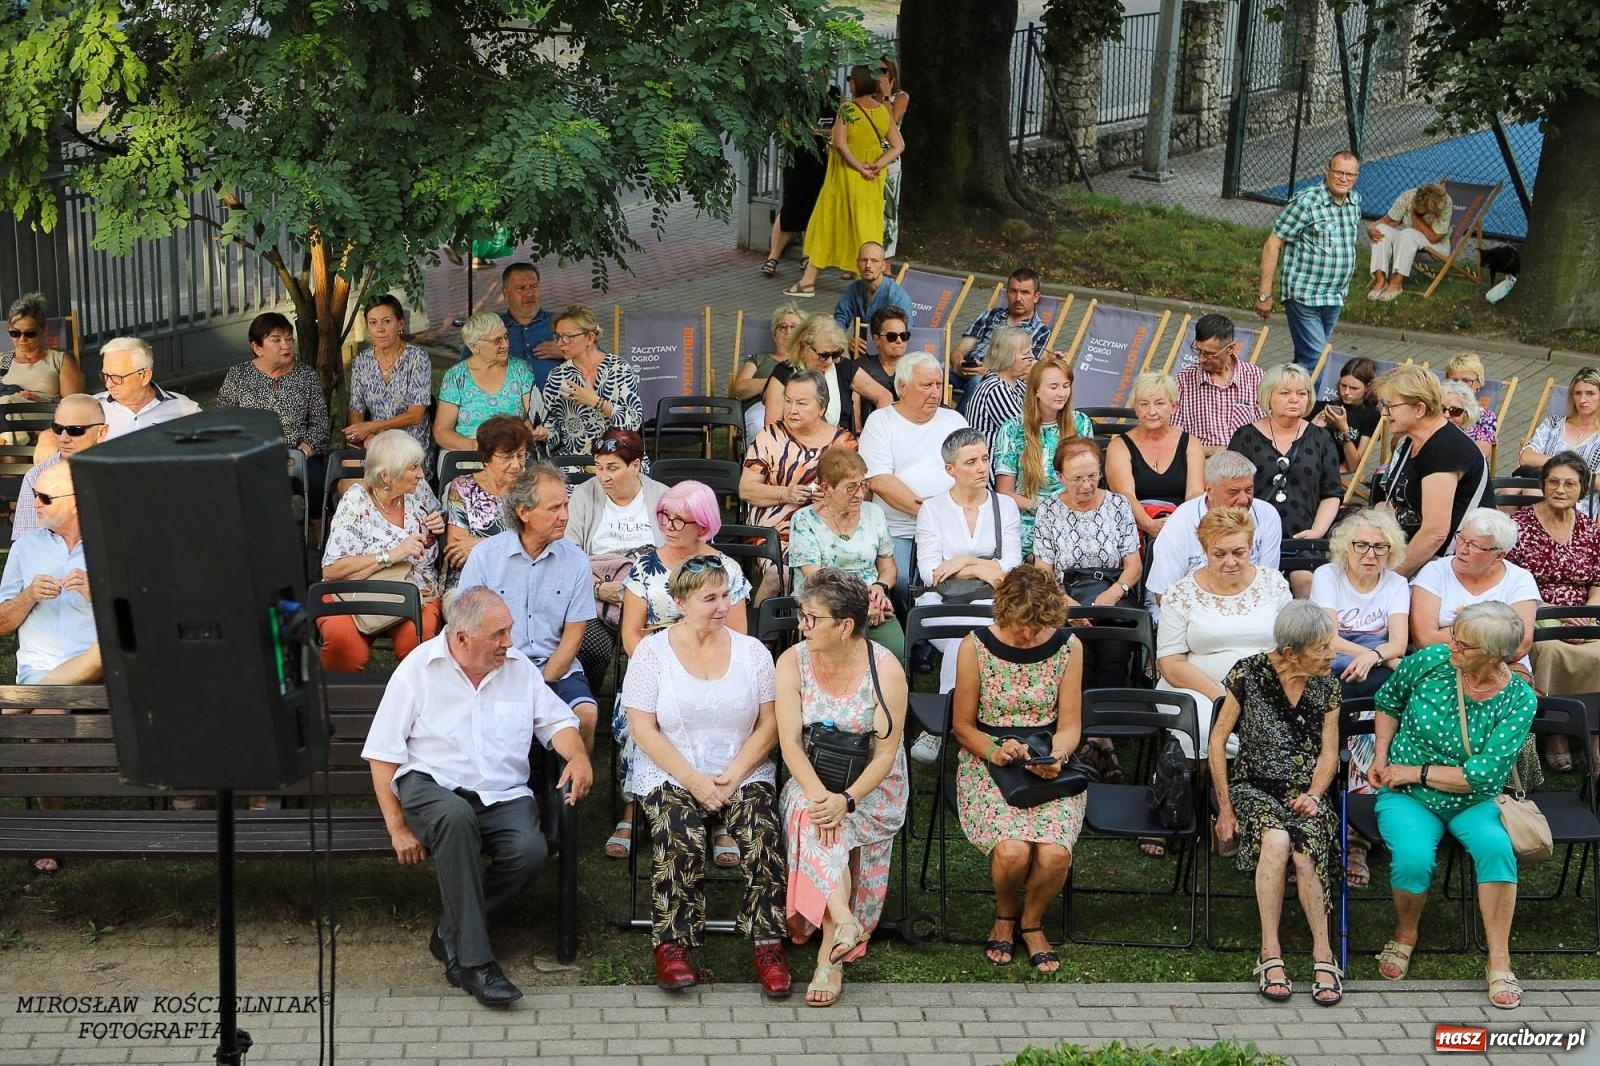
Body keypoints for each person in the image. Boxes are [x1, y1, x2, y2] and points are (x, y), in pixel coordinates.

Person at [361, 586, 593, 1007]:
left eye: (509, 631)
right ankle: (475, 964)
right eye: (499, 634)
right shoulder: (418, 670)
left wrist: (577, 756)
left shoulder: (518, 668)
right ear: (462, 637)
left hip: (502, 794)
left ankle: (450, 933)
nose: (510, 642)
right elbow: (382, 754)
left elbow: (558, 722)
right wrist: (397, 828)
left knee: (530, 850)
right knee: (454, 818)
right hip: (432, 787)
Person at [621, 559, 791, 997]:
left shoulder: (752, 652)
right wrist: (694, 780)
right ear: (680, 603)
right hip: (671, 770)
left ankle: (767, 942)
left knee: (764, 833)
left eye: (727, 596)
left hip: (741, 767)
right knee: (681, 835)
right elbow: (643, 730)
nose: (723, 606)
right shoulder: (651, 653)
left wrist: (732, 776)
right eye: (710, 598)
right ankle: (673, 944)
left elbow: (770, 725)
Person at [1369, 602, 1536, 1010]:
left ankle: (1499, 958)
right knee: (1411, 858)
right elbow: (1389, 700)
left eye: (1465, 644)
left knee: (1497, 849)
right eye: (1455, 636)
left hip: (1471, 798)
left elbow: (1481, 775)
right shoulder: (1430, 661)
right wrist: (1381, 755)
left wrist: (1415, 771)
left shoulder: (1518, 700)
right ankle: (1406, 932)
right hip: (1409, 797)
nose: (1453, 646)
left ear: (1497, 655)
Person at [775, 568, 909, 1007]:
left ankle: (832, 948)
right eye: (802, 615)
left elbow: (887, 754)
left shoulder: (884, 669)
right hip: (812, 777)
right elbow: (790, 743)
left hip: (871, 787)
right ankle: (838, 940)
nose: (802, 625)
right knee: (817, 820)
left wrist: (847, 800)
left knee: (828, 823)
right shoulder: (792, 661)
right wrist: (823, 799)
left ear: (846, 625)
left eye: (812, 618)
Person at [950, 567, 1085, 974]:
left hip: (1047, 755)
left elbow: (1070, 724)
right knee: (1012, 850)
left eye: (1037, 627)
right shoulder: (974, 647)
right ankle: (1005, 916)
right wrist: (996, 751)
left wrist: (1057, 756)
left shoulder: (1069, 647)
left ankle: (1033, 922)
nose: (1028, 636)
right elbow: (963, 726)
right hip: (989, 757)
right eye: (1020, 627)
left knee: (1055, 854)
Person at [1209, 602, 1343, 1006]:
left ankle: (1323, 951)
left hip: (1306, 791)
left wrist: (1315, 794)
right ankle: (1270, 950)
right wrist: (1226, 807)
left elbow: (1329, 754)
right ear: (1289, 651)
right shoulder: (1248, 672)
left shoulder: (1327, 684)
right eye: (1321, 649)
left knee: (1305, 851)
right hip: (1253, 787)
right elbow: (1217, 742)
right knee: (1277, 839)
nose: (1331, 655)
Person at [617, 482, 753, 862]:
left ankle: (721, 815)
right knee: (638, 720)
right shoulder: (645, 566)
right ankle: (634, 808)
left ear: (704, 524)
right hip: (656, 674)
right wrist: (659, 675)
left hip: (715, 672)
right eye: (664, 516)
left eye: (680, 518)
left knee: (728, 714)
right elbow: (631, 632)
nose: (669, 525)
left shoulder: (727, 570)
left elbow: (739, 636)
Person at [0, 461, 101, 874]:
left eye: (44, 498)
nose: (33, 504)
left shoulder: (112, 543)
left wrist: (99, 594)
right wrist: (27, 598)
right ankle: (50, 828)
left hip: (102, 671)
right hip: (41, 672)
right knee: (46, 717)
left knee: (105, 651)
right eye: (34, 495)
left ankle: (12, 707)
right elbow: (3, 623)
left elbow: (143, 618)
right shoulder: (26, 547)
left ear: (75, 503)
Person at [456, 462, 601, 751]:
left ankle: (570, 792)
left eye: (565, 505)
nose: (564, 516)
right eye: (554, 508)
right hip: (497, 667)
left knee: (586, 715)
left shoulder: (576, 561)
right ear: (524, 512)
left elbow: (574, 636)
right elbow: (467, 627)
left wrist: (543, 683)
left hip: (556, 668)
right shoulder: (486, 557)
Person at [1156, 506, 1293, 762]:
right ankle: (1211, 793)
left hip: (1267, 684)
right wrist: (1224, 696)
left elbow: (1291, 646)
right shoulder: (1181, 593)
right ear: (1204, 550)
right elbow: (1170, 662)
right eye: (1219, 554)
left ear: (1251, 547)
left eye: (1238, 552)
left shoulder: (1273, 583)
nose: (1230, 562)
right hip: (1197, 689)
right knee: (1216, 731)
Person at [318, 429, 445, 671]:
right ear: (386, 476)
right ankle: (344, 702)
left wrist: (435, 527)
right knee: (344, 647)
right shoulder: (356, 500)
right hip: (354, 590)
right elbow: (333, 569)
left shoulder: (419, 490)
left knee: (417, 643)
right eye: (413, 468)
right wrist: (392, 555)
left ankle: (410, 703)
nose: (421, 474)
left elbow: (433, 525)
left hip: (413, 587)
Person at [1507, 452, 1600, 771]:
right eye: (1554, 482)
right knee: (1547, 649)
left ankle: (1595, 731)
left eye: (1569, 483)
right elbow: (1509, 582)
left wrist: (1588, 615)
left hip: (1584, 614)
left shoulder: (1589, 528)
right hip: (1535, 608)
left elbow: (1598, 580)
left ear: (1582, 489)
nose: (1561, 489)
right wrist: (1558, 614)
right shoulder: (1519, 526)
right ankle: (1555, 731)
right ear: (1543, 485)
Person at [915, 427, 1024, 693]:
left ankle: (943, 719)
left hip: (992, 599)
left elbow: (1013, 564)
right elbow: (931, 573)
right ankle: (978, 713)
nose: (982, 468)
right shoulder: (932, 509)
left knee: (963, 642)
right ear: (950, 469)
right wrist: (987, 569)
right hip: (941, 601)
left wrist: (963, 561)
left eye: (985, 459)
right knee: (968, 640)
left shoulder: (1005, 506)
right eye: (971, 462)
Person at [783, 63, 905, 300]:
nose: (848, 82)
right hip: (871, 182)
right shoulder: (881, 111)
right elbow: (898, 145)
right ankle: (869, 284)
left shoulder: (847, 109)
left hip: (842, 179)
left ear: (855, 83)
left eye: (851, 78)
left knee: (826, 225)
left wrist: (858, 166)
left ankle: (807, 282)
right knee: (866, 229)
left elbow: (840, 143)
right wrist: (877, 164)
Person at [1031, 438, 1142, 689]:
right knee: (1078, 658)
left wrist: (1112, 595)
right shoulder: (1048, 510)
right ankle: (1078, 723)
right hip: (1065, 597)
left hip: (1113, 594)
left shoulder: (1118, 504)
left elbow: (1134, 564)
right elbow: (1043, 572)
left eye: (1093, 476)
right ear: (1060, 477)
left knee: (1113, 656)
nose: (1087, 485)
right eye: (1077, 479)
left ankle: (1104, 722)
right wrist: (1067, 604)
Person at [860, 352, 970, 603]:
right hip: (899, 529)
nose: (935, 393)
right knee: (899, 584)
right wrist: (933, 513)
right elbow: (879, 481)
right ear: (902, 387)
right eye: (926, 385)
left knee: (957, 582)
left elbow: (973, 471)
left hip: (951, 527)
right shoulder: (881, 422)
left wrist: (945, 516)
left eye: (938, 384)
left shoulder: (954, 420)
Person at [567, 428, 667, 692]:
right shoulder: (583, 495)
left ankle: (647, 714)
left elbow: (677, 554)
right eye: (598, 467)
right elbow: (569, 555)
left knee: (661, 649)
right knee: (589, 645)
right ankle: (586, 710)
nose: (603, 476)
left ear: (635, 466)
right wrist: (598, 589)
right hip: (598, 595)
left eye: (612, 468)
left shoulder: (662, 497)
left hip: (653, 602)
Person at [1373, 365, 1489, 577]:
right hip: (1415, 553)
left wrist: (1389, 579)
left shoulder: (1445, 449)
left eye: (1390, 406)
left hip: (1451, 564)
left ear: (1419, 409)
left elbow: (1435, 533)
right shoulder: (1409, 440)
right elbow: (1394, 504)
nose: (1384, 413)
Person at [787, 446, 903, 657]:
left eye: (862, 485)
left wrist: (879, 587)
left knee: (895, 652)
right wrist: (860, 604)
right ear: (826, 488)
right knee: (839, 655)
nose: (860, 494)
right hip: (824, 607)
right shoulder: (804, 521)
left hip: (872, 605)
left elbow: (888, 567)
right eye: (851, 487)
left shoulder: (874, 514)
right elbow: (816, 578)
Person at [1256, 150, 1363, 370]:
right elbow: (1273, 243)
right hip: (1304, 294)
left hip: (1334, 296)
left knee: (1308, 360)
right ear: (1327, 171)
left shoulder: (1355, 202)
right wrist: (1264, 293)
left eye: (1350, 175)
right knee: (1319, 359)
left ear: (1357, 176)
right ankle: (1307, 403)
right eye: (1339, 172)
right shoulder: (1307, 202)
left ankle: (1290, 399)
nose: (1344, 179)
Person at [218, 312, 331, 514]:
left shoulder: (306, 375)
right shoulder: (238, 376)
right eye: (276, 340)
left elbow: (320, 423)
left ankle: (323, 540)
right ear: (257, 348)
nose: (286, 345)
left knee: (318, 483)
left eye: (289, 339)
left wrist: (301, 453)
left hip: (299, 456)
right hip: (254, 457)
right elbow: (224, 422)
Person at [1145, 450, 1284, 613]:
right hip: (1187, 609)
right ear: (1210, 490)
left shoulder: (1267, 515)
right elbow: (1164, 595)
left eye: (1249, 490)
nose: (1244, 499)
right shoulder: (1181, 520)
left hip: (1249, 608)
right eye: (1233, 492)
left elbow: (1266, 584)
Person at [1410, 509, 1538, 679]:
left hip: (1503, 670)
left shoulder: (1520, 579)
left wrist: (1453, 630)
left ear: (1499, 555)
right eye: (1461, 539)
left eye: (1475, 546)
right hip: (1441, 665)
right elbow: (1424, 638)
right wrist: (1492, 636)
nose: (1462, 549)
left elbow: (1520, 645)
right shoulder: (1435, 572)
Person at [741, 369, 858, 548]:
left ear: (822, 408)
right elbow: (747, 489)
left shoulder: (843, 443)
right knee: (782, 571)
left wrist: (829, 496)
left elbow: (857, 494)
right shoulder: (770, 436)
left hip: (829, 528)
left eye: (801, 403)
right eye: (788, 401)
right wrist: (785, 494)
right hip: (776, 530)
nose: (792, 410)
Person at [1226, 363, 1342, 540]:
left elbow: (1331, 493)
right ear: (1268, 396)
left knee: (1303, 570)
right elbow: (1229, 488)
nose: (1295, 399)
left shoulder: (1321, 438)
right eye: (1285, 393)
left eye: (1302, 393)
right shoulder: (1245, 436)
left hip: (1303, 539)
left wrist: (1317, 532)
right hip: (1251, 538)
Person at [993, 355, 1095, 556]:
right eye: (1054, 386)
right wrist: (1044, 509)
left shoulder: (1081, 423)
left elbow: (1090, 481)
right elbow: (1004, 492)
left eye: (1066, 386)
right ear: (1036, 390)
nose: (1062, 393)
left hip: (1075, 512)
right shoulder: (1012, 429)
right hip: (1029, 518)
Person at [1310, 509, 1411, 701]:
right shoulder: (1327, 575)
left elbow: (1399, 643)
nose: (1371, 555)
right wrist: (1382, 659)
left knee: (1397, 685)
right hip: (1333, 658)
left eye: (1380, 546)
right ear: (1346, 547)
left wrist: (1373, 658)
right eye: (1361, 545)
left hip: (1376, 664)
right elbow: (1330, 639)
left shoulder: (1397, 583)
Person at [1105, 372, 1206, 541]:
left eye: (1160, 404)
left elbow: (1194, 493)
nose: (1151, 411)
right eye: (1144, 404)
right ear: (1135, 407)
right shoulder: (1119, 446)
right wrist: (1148, 524)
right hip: (1134, 525)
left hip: (1180, 523)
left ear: (1174, 406)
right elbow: (1124, 495)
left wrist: (1179, 524)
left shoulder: (1191, 444)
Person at [441, 416, 534, 590]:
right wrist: (513, 544)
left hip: (521, 578)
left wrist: (479, 543)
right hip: (471, 578)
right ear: (486, 457)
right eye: (506, 457)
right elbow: (458, 550)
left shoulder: (531, 488)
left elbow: (536, 543)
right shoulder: (462, 487)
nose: (516, 465)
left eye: (521, 455)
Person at [763, 314, 892, 437]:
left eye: (835, 354)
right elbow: (772, 430)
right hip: (796, 448)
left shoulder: (843, 366)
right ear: (803, 348)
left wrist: (872, 435)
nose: (830, 361)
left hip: (841, 448)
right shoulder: (783, 373)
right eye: (823, 355)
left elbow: (884, 397)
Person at [434, 311, 544, 455]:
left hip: (514, 449)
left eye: (506, 337)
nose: (505, 344)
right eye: (497, 341)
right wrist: (477, 447)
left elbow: (533, 416)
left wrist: (509, 446)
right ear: (474, 346)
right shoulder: (456, 376)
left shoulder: (520, 370)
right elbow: (442, 430)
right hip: (469, 451)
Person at [541, 304, 643, 457]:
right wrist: (543, 434)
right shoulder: (557, 376)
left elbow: (633, 422)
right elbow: (551, 426)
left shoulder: (618, 368)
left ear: (590, 337)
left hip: (619, 457)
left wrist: (596, 402)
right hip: (575, 461)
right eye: (558, 336)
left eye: (568, 336)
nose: (560, 343)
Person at [761, 87, 841, 280]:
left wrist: (814, 131)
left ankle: (807, 255)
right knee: (790, 206)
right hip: (796, 158)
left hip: (821, 161)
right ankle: (773, 256)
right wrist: (813, 131)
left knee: (814, 207)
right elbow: (785, 125)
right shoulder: (797, 94)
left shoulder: (834, 95)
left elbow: (838, 130)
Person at [345, 294, 433, 453]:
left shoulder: (417, 359)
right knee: (346, 474)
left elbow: (415, 415)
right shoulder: (361, 361)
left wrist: (371, 427)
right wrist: (367, 437)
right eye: (373, 323)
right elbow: (355, 410)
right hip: (372, 442)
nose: (380, 329)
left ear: (400, 324)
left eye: (386, 321)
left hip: (410, 444)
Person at [11, 394, 106, 542]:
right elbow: (23, 542)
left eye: (75, 430)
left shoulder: (116, 471)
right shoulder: (36, 475)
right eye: (58, 428)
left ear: (101, 433)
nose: (63, 438)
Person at [1173, 315, 1265, 454]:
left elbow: (1266, 432)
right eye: (1198, 350)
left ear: (1230, 349)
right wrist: (1211, 451)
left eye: (1210, 353)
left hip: (1246, 463)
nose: (1201, 358)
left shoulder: (1256, 377)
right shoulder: (1183, 381)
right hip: (1201, 463)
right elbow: (1175, 440)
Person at [1519, 366, 1600, 518]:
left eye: (1590, 393)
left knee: (1530, 491)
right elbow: (1526, 457)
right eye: (1578, 393)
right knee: (1508, 490)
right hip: (1540, 485)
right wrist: (1566, 464)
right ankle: (1506, 540)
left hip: (1580, 500)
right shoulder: (1553, 423)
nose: (1582, 400)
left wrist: (1560, 472)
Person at [952, 268, 1051, 385]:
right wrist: (960, 366)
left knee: (977, 381)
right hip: (966, 372)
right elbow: (959, 351)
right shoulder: (990, 315)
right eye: (1013, 291)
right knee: (932, 376)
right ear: (1007, 293)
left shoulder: (1041, 331)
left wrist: (988, 373)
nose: (1018, 298)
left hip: (996, 383)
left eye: (1025, 292)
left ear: (1036, 297)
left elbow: (1027, 371)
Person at [94, 336, 200, 438]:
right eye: (105, 375)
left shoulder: (184, 409)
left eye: (116, 377)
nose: (108, 384)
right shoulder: (90, 409)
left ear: (144, 376)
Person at [1365, 182, 1453, 302]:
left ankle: (1395, 285)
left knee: (1408, 233)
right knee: (1381, 229)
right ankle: (1381, 281)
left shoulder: (1445, 202)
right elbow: (1389, 221)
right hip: (1405, 244)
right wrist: (1371, 227)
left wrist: (1415, 217)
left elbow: (1434, 237)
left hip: (1436, 247)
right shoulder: (1408, 196)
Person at [729, 304, 803, 440]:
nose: (788, 331)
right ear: (774, 336)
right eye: (782, 327)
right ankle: (758, 461)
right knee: (759, 426)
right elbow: (739, 388)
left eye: (794, 327)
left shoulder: (808, 360)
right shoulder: (760, 359)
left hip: (799, 406)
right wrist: (775, 382)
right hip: (762, 406)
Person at [961, 326, 1038, 453]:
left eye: (1031, 352)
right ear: (1007, 357)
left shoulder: (1018, 383)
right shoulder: (995, 388)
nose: (1032, 358)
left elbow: (1044, 409)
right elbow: (1024, 432)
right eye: (1026, 354)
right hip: (992, 464)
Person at [831, 243, 914, 358]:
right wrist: (846, 339)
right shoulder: (853, 290)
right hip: (858, 354)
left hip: (888, 357)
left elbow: (904, 338)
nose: (868, 265)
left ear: (883, 265)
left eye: (874, 261)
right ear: (857, 264)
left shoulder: (897, 297)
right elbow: (838, 321)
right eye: (864, 260)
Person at [4, 292, 84, 401]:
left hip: (45, 414)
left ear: (44, 330)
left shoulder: (59, 361)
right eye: (15, 333)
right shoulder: (3, 361)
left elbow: (75, 405)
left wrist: (40, 401)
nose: (22, 339)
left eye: (30, 333)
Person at [1309, 356, 1381, 474]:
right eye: (1343, 385)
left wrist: (1343, 429)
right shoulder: (1323, 407)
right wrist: (1313, 426)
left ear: (1368, 387)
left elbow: (1354, 466)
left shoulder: (1371, 416)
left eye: (1353, 388)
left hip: (1325, 466)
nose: (1346, 392)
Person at [496, 263, 562, 384]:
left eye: (534, 286)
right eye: (521, 288)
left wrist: (569, 351)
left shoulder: (563, 323)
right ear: (506, 294)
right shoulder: (491, 330)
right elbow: (463, 377)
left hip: (557, 402)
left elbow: (602, 365)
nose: (529, 294)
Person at [873, 56, 910, 261]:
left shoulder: (900, 97)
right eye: (875, 70)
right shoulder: (868, 96)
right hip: (869, 158)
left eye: (883, 71)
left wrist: (886, 96)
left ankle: (885, 259)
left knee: (888, 210)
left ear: (892, 74)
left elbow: (889, 124)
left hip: (890, 157)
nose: (879, 75)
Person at [1443, 353, 1498, 459]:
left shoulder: (1485, 417)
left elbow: (1480, 453)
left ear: (1479, 383)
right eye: (1454, 381)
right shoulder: (1438, 410)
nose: (1459, 386)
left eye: (1466, 381)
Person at [856, 305, 910, 399]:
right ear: (876, 340)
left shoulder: (915, 368)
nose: (899, 340)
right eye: (892, 336)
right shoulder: (861, 367)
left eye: (903, 335)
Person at [1440, 379, 1491, 462]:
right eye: (1441, 409)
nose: (1446, 415)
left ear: (1467, 414)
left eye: (1454, 410)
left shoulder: (1468, 448)